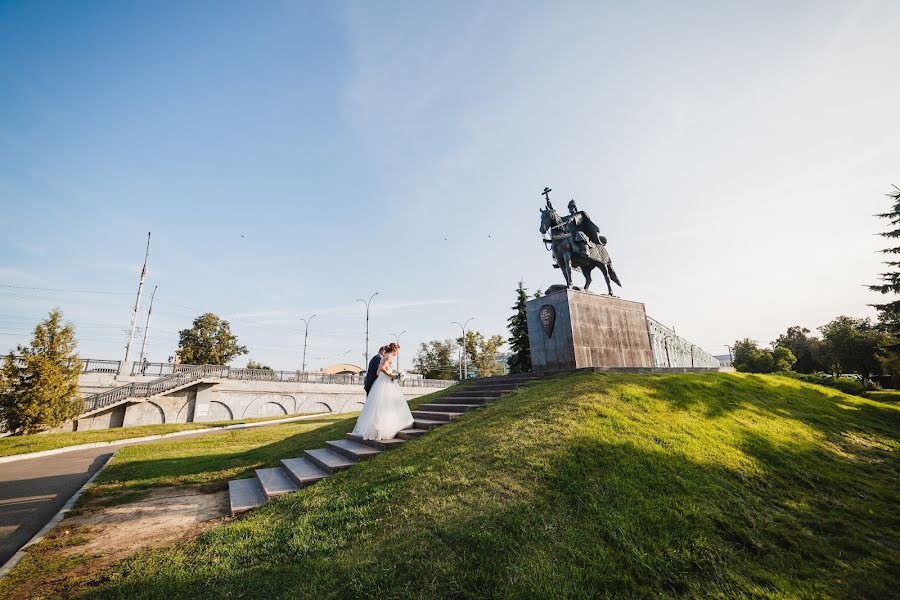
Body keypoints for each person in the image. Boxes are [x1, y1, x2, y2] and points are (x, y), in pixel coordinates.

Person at [352, 342, 414, 440]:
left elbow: (378, 372)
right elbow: (381, 369)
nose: (397, 353)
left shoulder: (385, 356)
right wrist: (392, 375)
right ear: (394, 350)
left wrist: (389, 373)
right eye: (397, 351)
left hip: (381, 381)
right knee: (387, 404)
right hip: (386, 382)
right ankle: (385, 428)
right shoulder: (389, 357)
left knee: (381, 405)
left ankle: (376, 427)